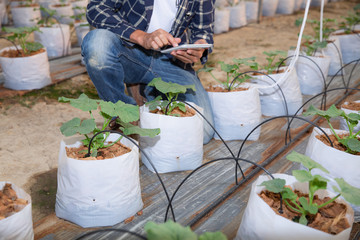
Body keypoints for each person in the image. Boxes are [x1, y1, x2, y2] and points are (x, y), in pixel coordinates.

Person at [81, 0, 215, 144]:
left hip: (171, 59)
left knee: (203, 132)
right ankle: (123, 113)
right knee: (97, 44)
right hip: (129, 51)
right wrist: (142, 37)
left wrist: (199, 48)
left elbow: (203, 30)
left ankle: (149, 92)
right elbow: (96, 8)